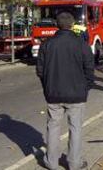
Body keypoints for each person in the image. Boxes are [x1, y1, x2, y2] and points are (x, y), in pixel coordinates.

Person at [36, 12, 94, 170]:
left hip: (53, 93)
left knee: (53, 128)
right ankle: (74, 163)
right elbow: (89, 70)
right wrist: (85, 88)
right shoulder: (81, 44)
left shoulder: (47, 45)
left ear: (56, 25)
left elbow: (40, 71)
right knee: (76, 129)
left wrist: (47, 87)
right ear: (73, 25)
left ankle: (52, 162)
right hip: (77, 94)